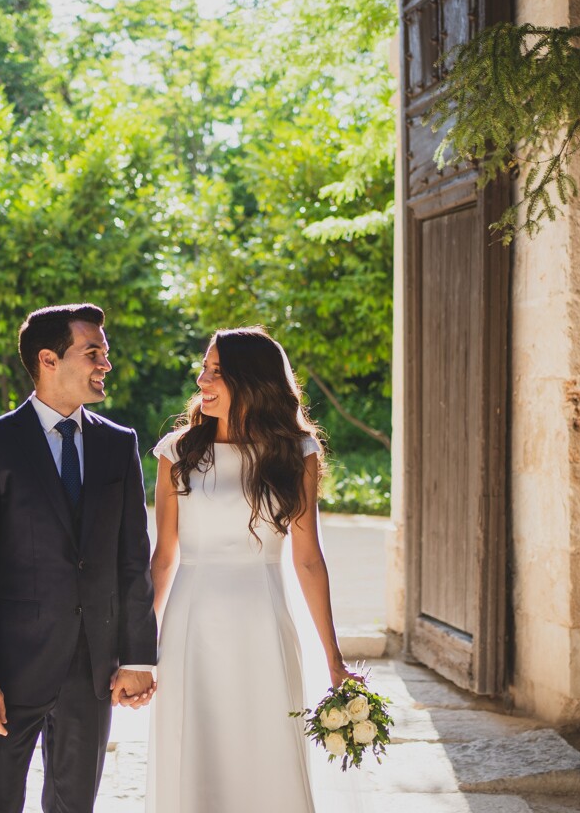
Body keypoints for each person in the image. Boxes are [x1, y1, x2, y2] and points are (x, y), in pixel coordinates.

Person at [0, 303, 158, 813]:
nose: (105, 364)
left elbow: (133, 558)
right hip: (9, 667)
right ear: (48, 359)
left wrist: (137, 656)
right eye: (93, 353)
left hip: (92, 666)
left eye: (104, 354)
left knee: (74, 805)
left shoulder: (119, 444)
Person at [146, 327, 357, 813]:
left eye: (216, 371)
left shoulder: (295, 453)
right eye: (204, 367)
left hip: (263, 621)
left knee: (266, 749)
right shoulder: (176, 452)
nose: (202, 379)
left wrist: (333, 658)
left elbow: (308, 558)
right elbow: (164, 556)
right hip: (190, 624)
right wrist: (137, 647)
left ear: (251, 380)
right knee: (192, 750)